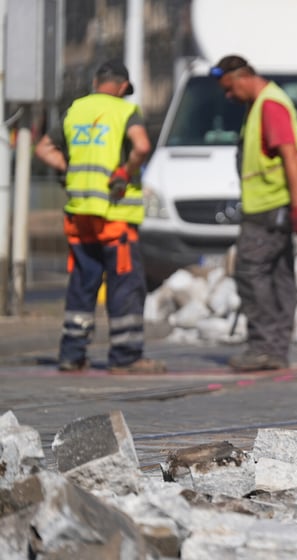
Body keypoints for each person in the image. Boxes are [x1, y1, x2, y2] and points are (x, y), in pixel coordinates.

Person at [34, 59, 166, 374]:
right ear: (122, 86)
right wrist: (125, 171)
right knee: (125, 283)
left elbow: (43, 149)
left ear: (96, 82)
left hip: (79, 215)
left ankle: (71, 354)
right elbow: (142, 146)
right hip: (114, 216)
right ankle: (126, 356)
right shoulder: (124, 111)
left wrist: (70, 169)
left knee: (82, 282)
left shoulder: (75, 110)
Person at [210, 55, 297, 372]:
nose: (229, 96)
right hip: (272, 205)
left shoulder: (269, 105)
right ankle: (276, 348)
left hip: (269, 208)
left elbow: (289, 156)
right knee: (279, 275)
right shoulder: (261, 105)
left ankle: (265, 346)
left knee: (251, 273)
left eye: (230, 88)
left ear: (242, 77)